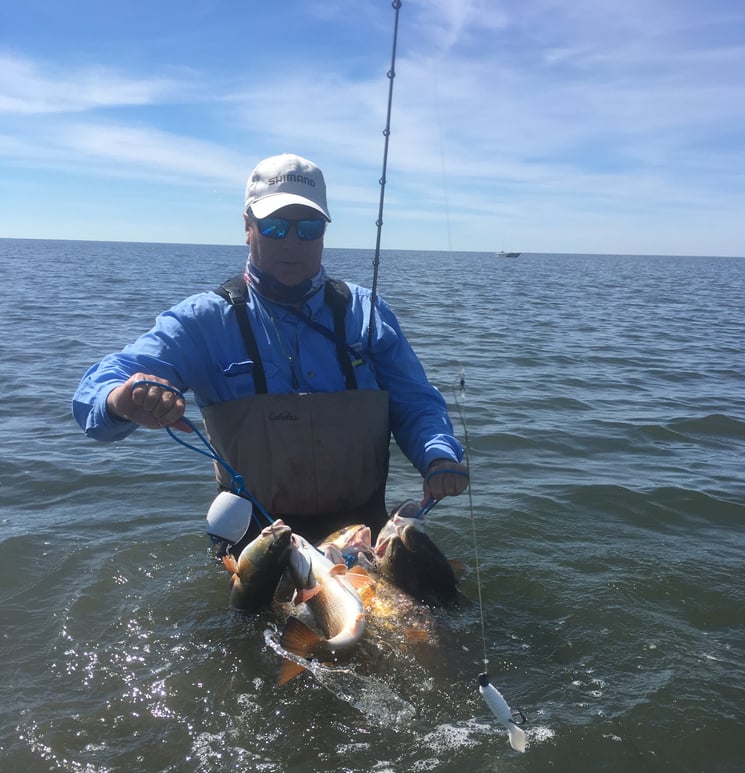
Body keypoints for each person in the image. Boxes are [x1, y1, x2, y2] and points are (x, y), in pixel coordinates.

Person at [72, 153, 468, 550]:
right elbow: (97, 388)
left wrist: (438, 456)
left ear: (324, 232)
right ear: (248, 226)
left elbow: (417, 404)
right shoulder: (204, 320)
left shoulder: (366, 312)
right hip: (255, 543)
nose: (292, 243)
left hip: (361, 535)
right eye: (275, 227)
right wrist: (122, 399)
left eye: (308, 227)